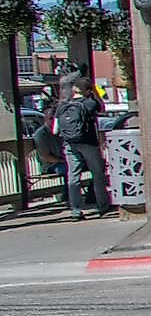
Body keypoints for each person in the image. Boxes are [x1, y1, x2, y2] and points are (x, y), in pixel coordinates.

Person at [50, 75, 112, 219]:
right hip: (88, 143)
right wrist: (95, 94)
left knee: (73, 176)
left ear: (74, 89)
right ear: (88, 90)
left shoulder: (63, 106)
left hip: (70, 144)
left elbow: (55, 130)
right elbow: (102, 107)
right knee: (97, 174)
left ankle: (76, 210)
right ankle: (103, 206)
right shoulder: (89, 103)